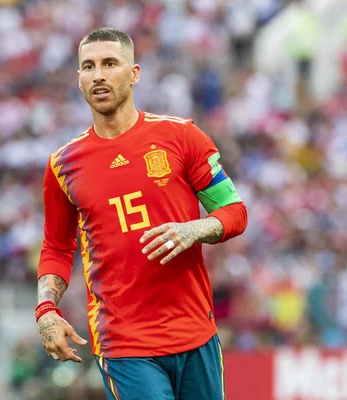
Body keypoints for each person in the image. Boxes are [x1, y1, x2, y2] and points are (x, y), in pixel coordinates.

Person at [35, 27, 248, 400]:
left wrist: (195, 229)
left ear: (134, 73)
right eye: (88, 66)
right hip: (124, 344)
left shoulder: (182, 138)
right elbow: (56, 247)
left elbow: (235, 212)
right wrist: (46, 309)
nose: (98, 74)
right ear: (79, 79)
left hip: (196, 331)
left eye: (109, 63)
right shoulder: (63, 165)